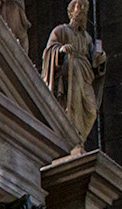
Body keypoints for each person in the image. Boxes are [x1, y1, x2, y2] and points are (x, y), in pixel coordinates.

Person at [42, 0, 106, 152]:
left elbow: (95, 64)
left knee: (91, 111)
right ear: (71, 11)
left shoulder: (87, 39)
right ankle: (73, 138)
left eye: (85, 7)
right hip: (71, 71)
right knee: (73, 101)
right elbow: (49, 50)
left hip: (85, 74)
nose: (82, 10)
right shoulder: (61, 30)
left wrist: (101, 57)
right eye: (79, 6)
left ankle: (79, 138)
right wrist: (61, 50)